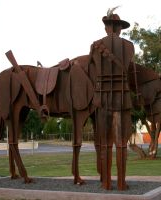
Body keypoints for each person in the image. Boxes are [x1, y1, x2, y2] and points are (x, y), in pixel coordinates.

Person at [89, 11, 135, 190]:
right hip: (123, 98)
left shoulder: (95, 46)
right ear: (119, 28)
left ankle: (107, 183)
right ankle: (122, 184)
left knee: (106, 143)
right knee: (122, 143)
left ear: (108, 27)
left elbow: (90, 70)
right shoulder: (129, 47)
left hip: (102, 98)